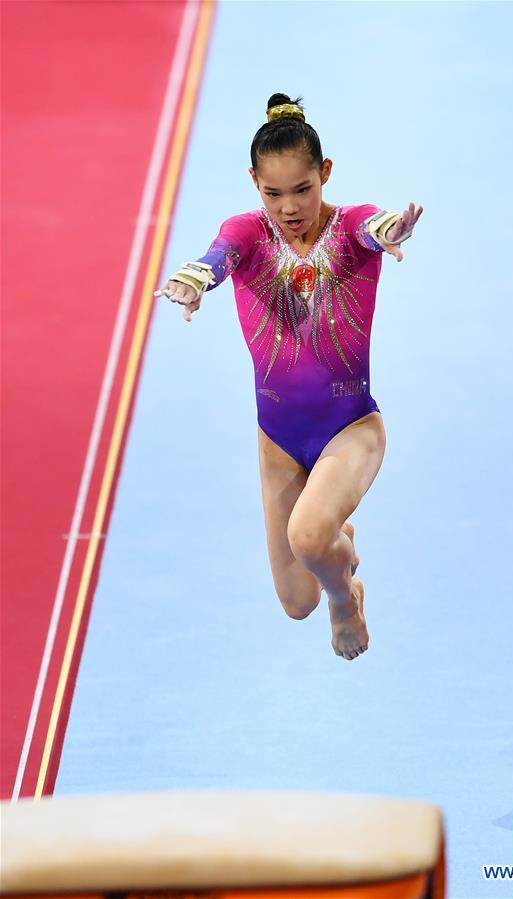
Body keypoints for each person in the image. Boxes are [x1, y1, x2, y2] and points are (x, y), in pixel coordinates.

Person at [154, 93, 423, 661]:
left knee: (307, 540)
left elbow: (373, 227)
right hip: (278, 440)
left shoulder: (349, 224)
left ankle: (345, 599)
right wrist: (196, 279)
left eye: (303, 189)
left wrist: (390, 232)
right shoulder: (249, 232)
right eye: (273, 193)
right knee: (295, 600)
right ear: (254, 182)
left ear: (324, 173)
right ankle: (334, 548)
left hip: (351, 427)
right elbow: (219, 254)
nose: (290, 207)